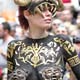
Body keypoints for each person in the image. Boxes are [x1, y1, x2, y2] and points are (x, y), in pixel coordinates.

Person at [7, 0, 80, 80]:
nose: (49, 14)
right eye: (43, 9)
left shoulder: (61, 42)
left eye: (50, 10)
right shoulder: (14, 47)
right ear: (27, 14)